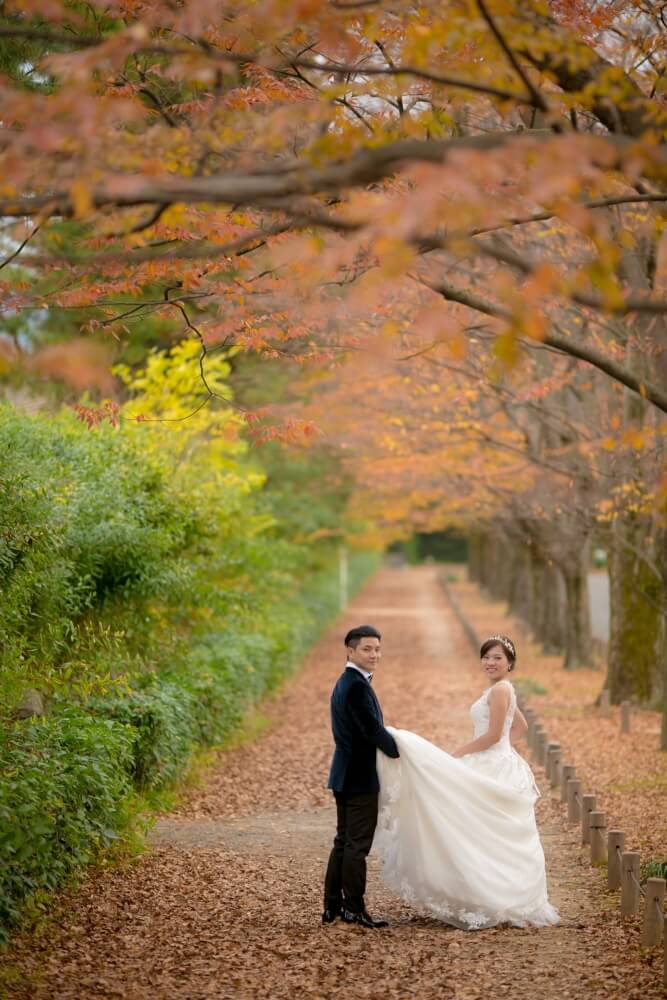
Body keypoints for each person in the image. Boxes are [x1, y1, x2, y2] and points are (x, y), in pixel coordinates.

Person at [374, 633, 560, 930]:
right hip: (496, 759)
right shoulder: (503, 689)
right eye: (486, 657)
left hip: (492, 764)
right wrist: (504, 749)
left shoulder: (500, 690)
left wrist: (459, 753)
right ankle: (486, 891)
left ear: (510, 663)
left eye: (497, 658)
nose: (490, 662)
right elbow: (520, 726)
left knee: (480, 828)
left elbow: (493, 735)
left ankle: (490, 894)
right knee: (481, 830)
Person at [322, 624, 399, 928]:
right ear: (350, 651)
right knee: (356, 845)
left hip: (345, 772)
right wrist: (401, 750)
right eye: (367, 649)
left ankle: (332, 907)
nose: (374, 654)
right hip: (358, 776)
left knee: (343, 842)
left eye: (378, 649)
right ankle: (353, 908)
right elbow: (371, 731)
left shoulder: (348, 681)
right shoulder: (355, 685)